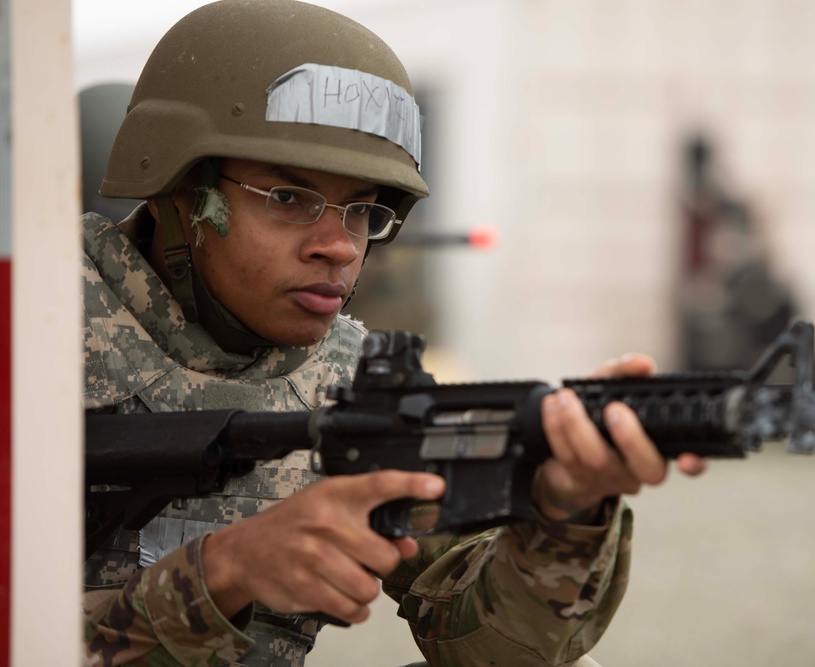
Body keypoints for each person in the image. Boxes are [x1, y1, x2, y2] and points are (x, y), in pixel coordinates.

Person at [81, 1, 706, 665]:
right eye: (288, 198)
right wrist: (222, 569)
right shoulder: (31, 333)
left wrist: (561, 510)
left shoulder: (348, 380)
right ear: (179, 190)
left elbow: (494, 650)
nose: (339, 247)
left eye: (363, 210)